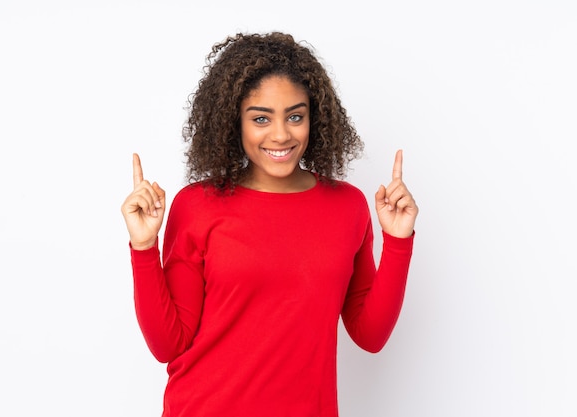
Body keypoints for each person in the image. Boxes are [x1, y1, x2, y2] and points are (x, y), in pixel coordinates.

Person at [121, 31, 418, 417]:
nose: (281, 135)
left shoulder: (348, 207)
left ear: (315, 117)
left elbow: (371, 336)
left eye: (295, 116)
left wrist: (398, 240)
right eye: (261, 118)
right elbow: (169, 345)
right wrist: (144, 249)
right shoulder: (198, 206)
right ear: (234, 123)